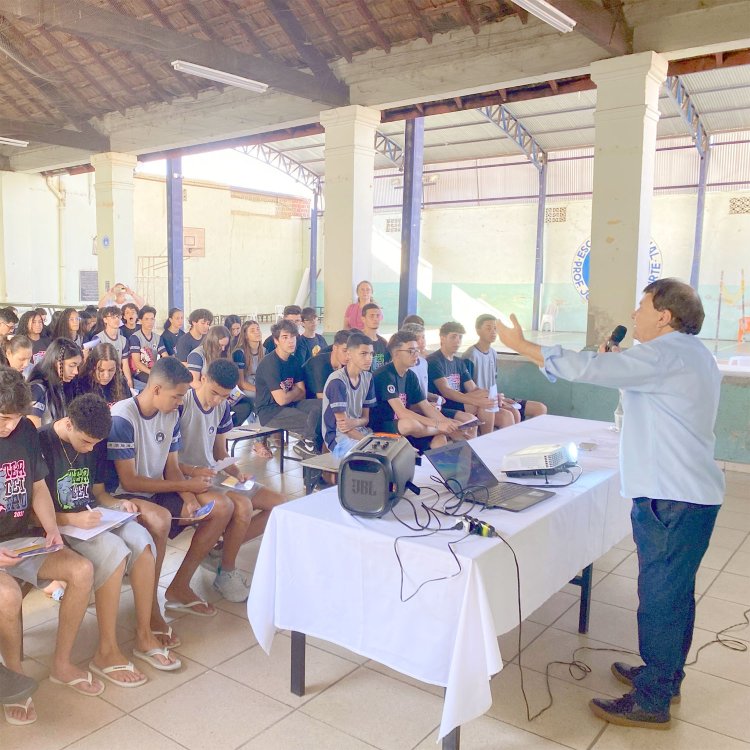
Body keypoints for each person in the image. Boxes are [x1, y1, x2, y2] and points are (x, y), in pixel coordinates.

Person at [496, 278, 725, 730]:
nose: (635, 315)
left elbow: (585, 370)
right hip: (684, 495)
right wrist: (618, 368)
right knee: (674, 595)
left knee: (660, 599)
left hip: (672, 498)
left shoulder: (667, 352)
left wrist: (522, 344)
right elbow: (636, 391)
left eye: (642, 307)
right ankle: (665, 675)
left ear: (665, 315)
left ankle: (653, 700)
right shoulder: (683, 355)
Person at [39, 394, 180, 683]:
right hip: (58, 525)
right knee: (114, 551)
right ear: (68, 423)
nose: (90, 449)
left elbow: (99, 492)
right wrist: (69, 519)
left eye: (95, 444)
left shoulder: (95, 442)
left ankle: (143, 634)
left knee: (142, 542)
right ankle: (107, 650)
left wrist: (116, 505)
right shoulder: (42, 443)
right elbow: (34, 509)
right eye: (85, 442)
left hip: (91, 516)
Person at [0, 367, 103, 726]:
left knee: (80, 569)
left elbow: (38, 486)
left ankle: (61, 663)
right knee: (8, 596)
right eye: (2, 418)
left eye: (14, 418)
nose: (8, 426)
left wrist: (51, 528)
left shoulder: (26, 431)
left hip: (19, 537)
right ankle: (14, 676)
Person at [108, 357, 233, 619]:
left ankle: (179, 586)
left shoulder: (171, 415)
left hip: (157, 490)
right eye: (177, 397)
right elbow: (129, 481)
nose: (180, 403)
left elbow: (172, 468)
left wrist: (188, 498)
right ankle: (150, 606)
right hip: (124, 495)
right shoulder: (123, 416)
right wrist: (186, 485)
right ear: (156, 389)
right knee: (160, 519)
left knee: (222, 507)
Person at [178, 359, 284, 601]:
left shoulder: (222, 407)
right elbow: (167, 461)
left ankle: (217, 550)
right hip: (187, 479)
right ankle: (227, 571)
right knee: (243, 506)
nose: (217, 400)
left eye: (224, 396)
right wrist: (195, 472)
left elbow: (219, 452)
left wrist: (237, 474)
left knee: (278, 503)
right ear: (202, 379)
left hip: (212, 475)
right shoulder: (182, 404)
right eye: (214, 393)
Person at [371, 332, 468, 451]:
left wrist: (448, 423)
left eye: (417, 350)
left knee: (440, 437)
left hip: (412, 429)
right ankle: (448, 431)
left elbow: (426, 406)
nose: (416, 354)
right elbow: (402, 412)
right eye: (411, 351)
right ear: (396, 353)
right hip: (385, 426)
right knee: (410, 424)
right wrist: (438, 425)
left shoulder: (410, 375)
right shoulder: (385, 375)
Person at [464, 314, 547, 430]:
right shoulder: (471, 355)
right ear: (478, 330)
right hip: (483, 402)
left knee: (540, 408)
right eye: (488, 328)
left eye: (495, 328)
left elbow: (493, 383)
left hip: (495, 397)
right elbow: (470, 390)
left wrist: (501, 398)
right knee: (512, 413)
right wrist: (494, 399)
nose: (493, 332)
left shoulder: (493, 353)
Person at [255, 319, 323, 458]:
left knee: (323, 406)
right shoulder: (270, 363)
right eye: (285, 337)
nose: (290, 341)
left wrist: (290, 394)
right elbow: (280, 400)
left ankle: (307, 444)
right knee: (314, 422)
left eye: (293, 337)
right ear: (276, 340)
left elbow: (302, 393)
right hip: (270, 412)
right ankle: (307, 445)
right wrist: (294, 392)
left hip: (292, 405)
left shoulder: (294, 361)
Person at [427, 322, 493, 436]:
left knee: (507, 414)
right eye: (453, 337)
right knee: (484, 404)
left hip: (462, 401)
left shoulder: (459, 362)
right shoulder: (434, 361)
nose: (457, 341)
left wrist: (495, 396)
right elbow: (446, 392)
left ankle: (490, 443)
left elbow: (473, 389)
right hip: (446, 403)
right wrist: (478, 401)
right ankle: (484, 442)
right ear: (442, 338)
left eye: (460, 337)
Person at [322, 332, 376, 457]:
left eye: (371, 354)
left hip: (361, 432)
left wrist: (355, 422)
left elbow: (365, 419)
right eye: (363, 354)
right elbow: (344, 428)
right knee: (374, 456)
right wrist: (370, 443)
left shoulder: (368, 378)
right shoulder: (337, 381)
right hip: (338, 439)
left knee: (393, 453)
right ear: (349, 354)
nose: (369, 358)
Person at [27, 338, 83, 428]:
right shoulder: (37, 389)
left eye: (77, 366)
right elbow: (33, 431)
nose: (76, 371)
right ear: (56, 362)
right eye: (72, 365)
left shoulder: (67, 385)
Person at [230, 320, 264, 433]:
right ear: (245, 335)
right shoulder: (240, 353)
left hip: (259, 384)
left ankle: (261, 434)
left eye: (258, 329)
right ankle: (259, 438)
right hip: (244, 388)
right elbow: (241, 383)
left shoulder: (264, 351)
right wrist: (262, 390)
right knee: (262, 403)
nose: (257, 332)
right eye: (252, 330)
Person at [94, 306, 134, 390]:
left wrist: (129, 380)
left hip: (117, 377)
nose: (116, 320)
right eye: (112, 317)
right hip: (101, 377)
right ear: (105, 319)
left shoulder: (124, 340)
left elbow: (125, 364)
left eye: (118, 317)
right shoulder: (98, 338)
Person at [302, 329, 350, 399]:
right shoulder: (319, 364)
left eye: (350, 352)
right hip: (308, 400)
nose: (348, 356)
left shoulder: (345, 364)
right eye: (344, 351)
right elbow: (321, 397)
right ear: (335, 348)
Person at [129, 305, 166, 385]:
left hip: (153, 370)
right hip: (139, 372)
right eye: (146, 319)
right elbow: (137, 363)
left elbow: (165, 356)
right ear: (140, 320)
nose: (150, 322)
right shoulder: (135, 338)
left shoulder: (158, 337)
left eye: (152, 319)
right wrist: (152, 373)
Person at [361, 303, 390, 371]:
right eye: (372, 316)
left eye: (378, 316)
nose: (375, 319)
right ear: (363, 319)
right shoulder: (357, 340)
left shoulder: (383, 342)